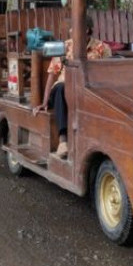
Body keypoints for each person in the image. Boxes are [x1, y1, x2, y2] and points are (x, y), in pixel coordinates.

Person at [35, 17, 111, 159]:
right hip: (63, 89)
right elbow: (52, 75)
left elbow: (108, 73)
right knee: (61, 88)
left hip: (88, 90)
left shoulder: (102, 48)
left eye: (74, 28)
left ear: (86, 30)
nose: (70, 31)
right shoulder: (65, 47)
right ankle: (63, 140)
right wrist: (45, 102)